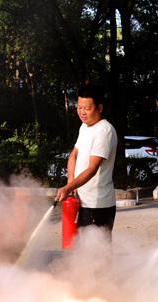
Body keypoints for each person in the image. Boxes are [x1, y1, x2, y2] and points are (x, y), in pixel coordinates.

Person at [55, 85, 118, 233]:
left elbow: (92, 169)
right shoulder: (84, 126)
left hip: (98, 205)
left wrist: (67, 188)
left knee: (97, 252)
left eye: (87, 108)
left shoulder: (104, 131)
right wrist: (71, 181)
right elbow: (74, 155)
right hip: (81, 201)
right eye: (79, 107)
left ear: (99, 108)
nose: (82, 112)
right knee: (82, 251)